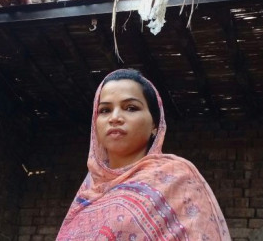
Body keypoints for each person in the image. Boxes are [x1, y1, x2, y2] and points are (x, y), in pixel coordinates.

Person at [57, 69, 231, 240]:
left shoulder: (177, 178)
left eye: (131, 108)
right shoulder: (88, 191)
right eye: (105, 110)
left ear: (155, 124)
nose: (115, 117)